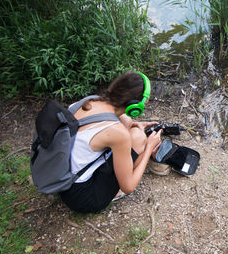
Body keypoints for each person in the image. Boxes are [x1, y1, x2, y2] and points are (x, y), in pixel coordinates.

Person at [59, 72, 162, 213]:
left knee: (127, 121)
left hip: (61, 178)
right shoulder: (118, 134)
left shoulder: (90, 101)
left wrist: (131, 123)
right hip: (83, 198)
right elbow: (129, 187)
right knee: (138, 138)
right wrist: (149, 147)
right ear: (134, 106)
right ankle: (115, 191)